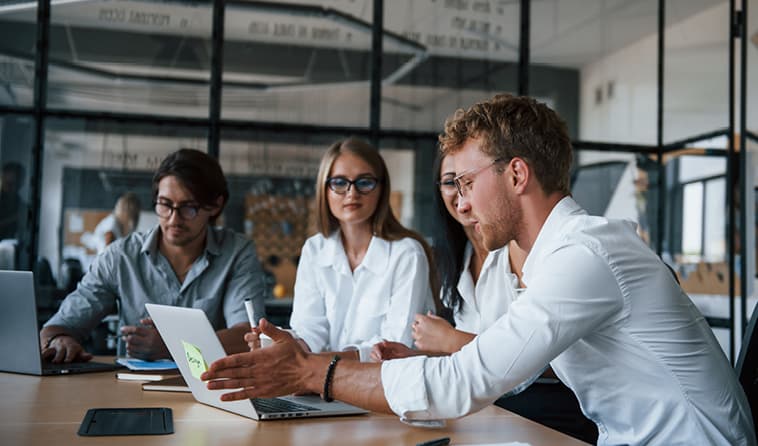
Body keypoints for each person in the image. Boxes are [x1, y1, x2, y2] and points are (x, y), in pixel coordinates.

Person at [202, 95, 756, 446]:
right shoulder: (541, 262)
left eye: (467, 182)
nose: (460, 202)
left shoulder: (587, 254)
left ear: (517, 174)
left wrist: (308, 372)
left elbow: (468, 382)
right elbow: (496, 362)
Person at [371, 152, 597, 443]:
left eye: (468, 182)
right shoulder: (453, 260)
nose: (463, 197)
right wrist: (418, 357)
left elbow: (541, 356)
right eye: (451, 183)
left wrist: (449, 340)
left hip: (542, 405)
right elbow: (476, 361)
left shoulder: (526, 251)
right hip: (490, 408)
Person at [41, 148, 267, 363]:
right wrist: (60, 340)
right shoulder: (121, 256)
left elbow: (248, 336)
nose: (173, 219)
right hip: (131, 392)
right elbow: (57, 327)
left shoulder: (237, 253)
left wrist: (174, 345)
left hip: (214, 388)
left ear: (215, 205)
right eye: (165, 205)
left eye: (189, 208)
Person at [246, 137, 437, 362]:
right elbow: (309, 330)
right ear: (324, 190)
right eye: (339, 182)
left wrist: (312, 362)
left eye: (364, 182)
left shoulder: (406, 254)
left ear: (382, 189)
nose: (352, 193)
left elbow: (396, 346)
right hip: (323, 384)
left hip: (384, 385)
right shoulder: (314, 249)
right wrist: (280, 343)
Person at [0, 162, 28, 240]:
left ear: (21, 183)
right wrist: (13, 218)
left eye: (13, 183)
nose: (9, 187)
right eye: (6, 183)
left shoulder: (22, 205)